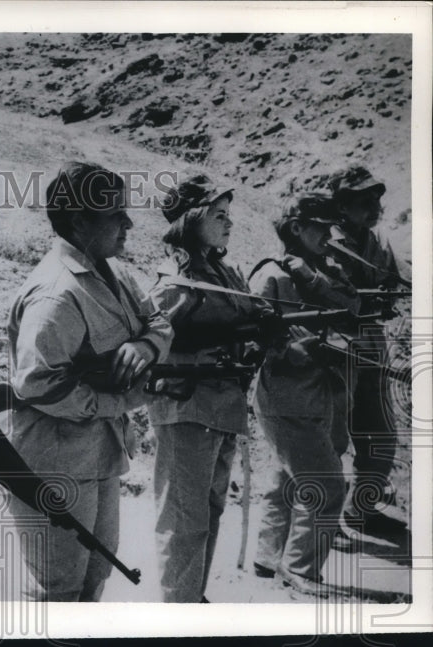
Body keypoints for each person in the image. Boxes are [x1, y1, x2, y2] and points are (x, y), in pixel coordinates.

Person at [5, 162, 173, 602]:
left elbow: (158, 320)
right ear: (80, 221)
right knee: (55, 588)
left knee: (95, 571)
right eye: (115, 213)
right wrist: (116, 404)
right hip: (54, 460)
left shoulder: (112, 272)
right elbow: (38, 384)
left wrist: (147, 348)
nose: (129, 223)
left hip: (98, 453)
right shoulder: (57, 293)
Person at [147, 174, 272, 603]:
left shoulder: (227, 273)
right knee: (185, 518)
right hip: (186, 408)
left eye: (229, 215)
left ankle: (192, 595)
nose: (229, 223)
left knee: (212, 509)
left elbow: (249, 322)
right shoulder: (174, 278)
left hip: (223, 407)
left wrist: (261, 331)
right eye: (219, 215)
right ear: (192, 220)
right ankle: (177, 606)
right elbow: (157, 340)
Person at [249, 193, 360, 596]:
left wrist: (314, 279)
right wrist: (286, 351)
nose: (328, 236)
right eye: (320, 227)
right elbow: (246, 339)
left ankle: (267, 558)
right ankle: (300, 570)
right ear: (296, 228)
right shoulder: (271, 276)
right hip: (287, 398)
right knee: (327, 487)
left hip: (320, 394)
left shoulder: (322, 271)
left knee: (289, 479)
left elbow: (354, 308)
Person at [326, 166, 407, 539]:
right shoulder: (322, 239)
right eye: (363, 200)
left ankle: (361, 511)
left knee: (381, 437)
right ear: (341, 205)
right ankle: (320, 525)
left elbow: (397, 279)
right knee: (331, 441)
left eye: (376, 198)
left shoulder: (378, 241)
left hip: (374, 350)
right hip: (335, 354)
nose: (374, 206)